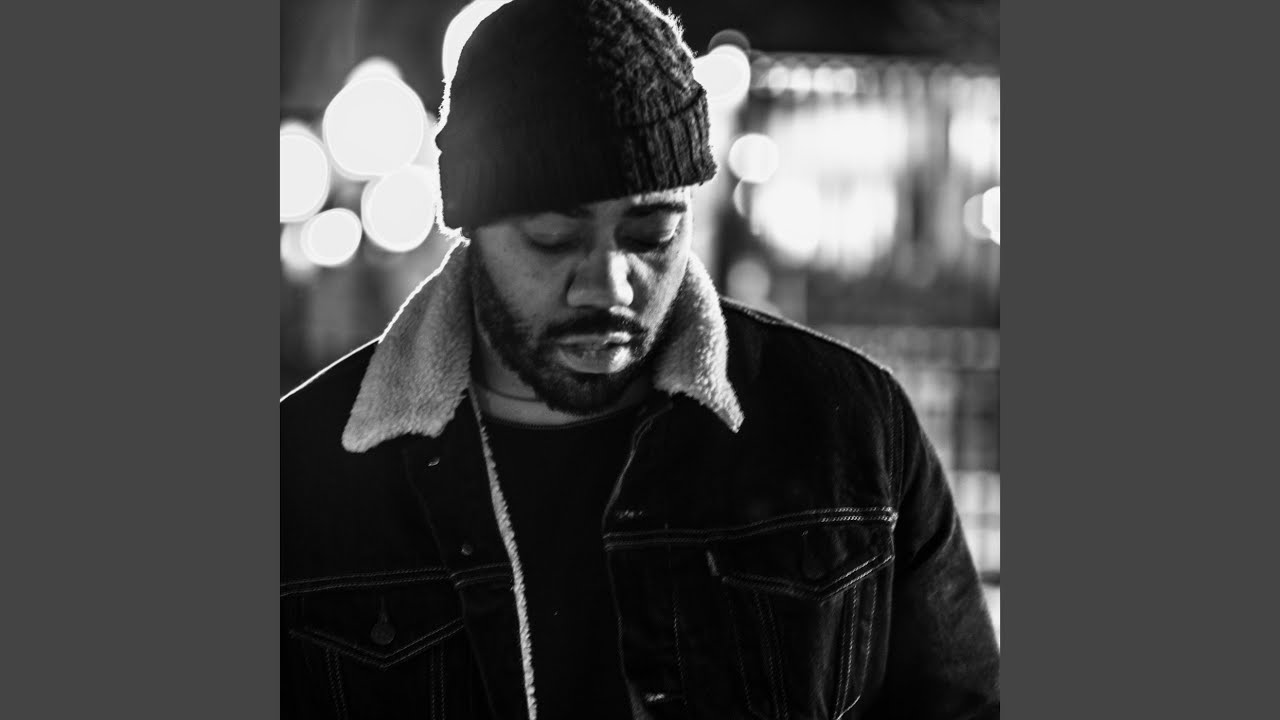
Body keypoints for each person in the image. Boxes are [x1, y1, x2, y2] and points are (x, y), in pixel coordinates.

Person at [280, 0, 1000, 717]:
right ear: (469, 227)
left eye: (650, 235)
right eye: (554, 239)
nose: (610, 285)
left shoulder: (851, 429)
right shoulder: (300, 476)